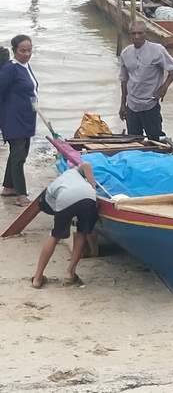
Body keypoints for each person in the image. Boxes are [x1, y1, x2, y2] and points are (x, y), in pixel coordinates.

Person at [32, 163, 98, 289]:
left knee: (55, 236)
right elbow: (87, 165)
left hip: (66, 198)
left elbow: (59, 210)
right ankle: (70, 273)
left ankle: (37, 278)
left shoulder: (49, 193)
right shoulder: (72, 172)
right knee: (81, 233)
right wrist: (92, 185)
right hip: (89, 196)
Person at [119, 21, 173, 140]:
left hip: (150, 104)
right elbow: (124, 80)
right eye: (133, 33)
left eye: (140, 33)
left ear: (145, 34)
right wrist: (122, 104)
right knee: (135, 141)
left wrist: (164, 87)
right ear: (130, 34)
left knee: (155, 140)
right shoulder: (125, 53)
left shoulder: (157, 50)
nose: (136, 36)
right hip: (132, 105)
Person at [0, 35, 38, 207]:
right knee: (18, 156)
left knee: (20, 153)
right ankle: (21, 194)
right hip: (13, 119)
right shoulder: (10, 69)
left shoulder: (26, 66)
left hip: (27, 117)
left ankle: (8, 187)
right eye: (22, 51)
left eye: (29, 50)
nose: (26, 54)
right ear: (14, 50)